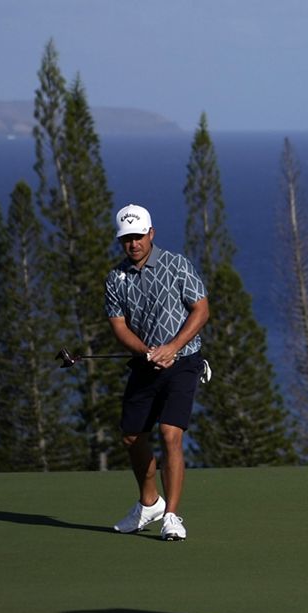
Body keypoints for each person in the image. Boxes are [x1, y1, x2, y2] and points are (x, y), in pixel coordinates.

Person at [105, 204, 210, 541]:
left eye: (138, 236)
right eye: (126, 239)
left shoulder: (176, 265)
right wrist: (147, 351)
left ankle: (172, 516)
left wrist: (173, 347)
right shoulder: (115, 278)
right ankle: (149, 502)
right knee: (131, 437)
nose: (133, 244)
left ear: (151, 233)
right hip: (146, 363)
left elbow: (201, 309)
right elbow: (118, 326)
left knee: (170, 433)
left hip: (184, 362)